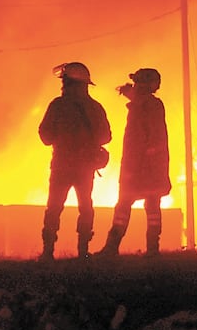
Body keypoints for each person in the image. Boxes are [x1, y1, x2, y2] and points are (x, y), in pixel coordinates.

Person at [38, 62, 112, 261]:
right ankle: (83, 251)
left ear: (72, 83)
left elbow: (45, 136)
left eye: (65, 82)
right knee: (86, 207)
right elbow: (106, 136)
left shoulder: (57, 106)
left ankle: (48, 251)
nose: (63, 86)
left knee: (54, 207)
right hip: (85, 167)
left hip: (61, 165)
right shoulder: (95, 108)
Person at [96, 67, 171, 257]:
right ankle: (152, 250)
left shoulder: (148, 106)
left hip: (141, 166)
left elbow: (145, 134)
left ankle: (112, 248)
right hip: (148, 166)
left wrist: (142, 162)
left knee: (125, 205)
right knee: (151, 206)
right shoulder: (149, 104)